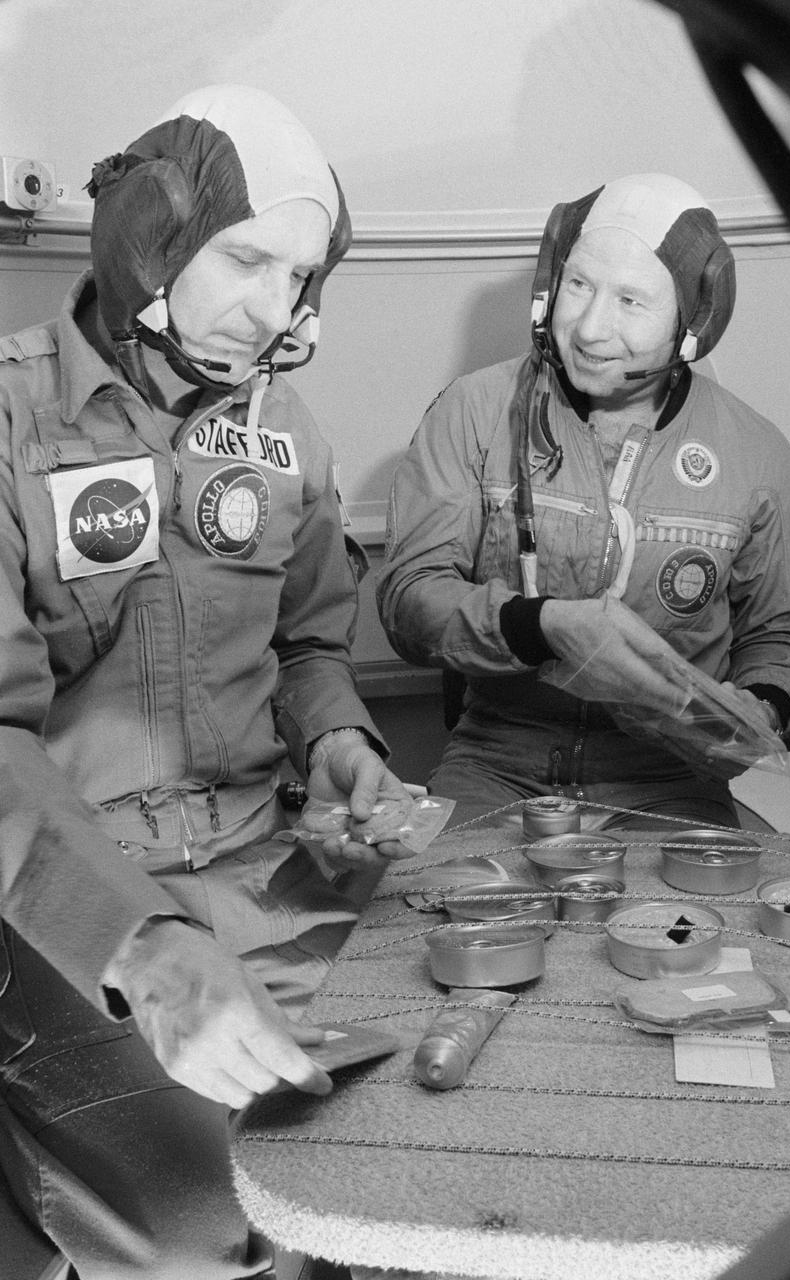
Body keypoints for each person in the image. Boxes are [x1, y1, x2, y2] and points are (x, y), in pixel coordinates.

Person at [0, 84, 415, 1280]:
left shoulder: (290, 438)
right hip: (66, 912)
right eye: (246, 259)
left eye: (299, 278)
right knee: (210, 1220)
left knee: (423, 1142)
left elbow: (310, 649)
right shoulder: (9, 415)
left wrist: (344, 743)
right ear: (152, 232)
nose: (273, 310)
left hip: (267, 874)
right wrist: (139, 943)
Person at [377, 172, 790, 831]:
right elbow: (410, 602)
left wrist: (757, 704)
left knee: (687, 925)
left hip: (669, 771)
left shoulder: (755, 452)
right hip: (497, 754)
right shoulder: (472, 410)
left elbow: (778, 629)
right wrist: (542, 624)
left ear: (692, 323)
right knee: (445, 912)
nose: (588, 327)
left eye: (630, 301)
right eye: (578, 286)